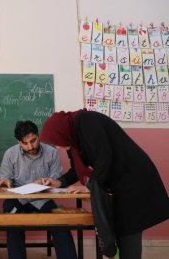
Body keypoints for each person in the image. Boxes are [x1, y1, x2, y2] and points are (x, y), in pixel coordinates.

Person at [39, 109, 169, 259]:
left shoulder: (86, 121)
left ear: (61, 132)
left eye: (57, 142)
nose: (59, 148)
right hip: (119, 181)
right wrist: (59, 181)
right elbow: (77, 168)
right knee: (119, 228)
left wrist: (89, 186)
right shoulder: (73, 138)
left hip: (133, 177)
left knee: (129, 229)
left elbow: (104, 157)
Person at [0, 120, 77, 259]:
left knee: (60, 223)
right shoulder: (10, 154)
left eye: (33, 141)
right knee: (13, 224)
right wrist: (5, 182)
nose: (30, 146)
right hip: (17, 199)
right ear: (19, 142)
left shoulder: (51, 153)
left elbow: (57, 181)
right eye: (25, 143)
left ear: (38, 136)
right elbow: (6, 179)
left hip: (42, 198)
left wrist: (48, 183)